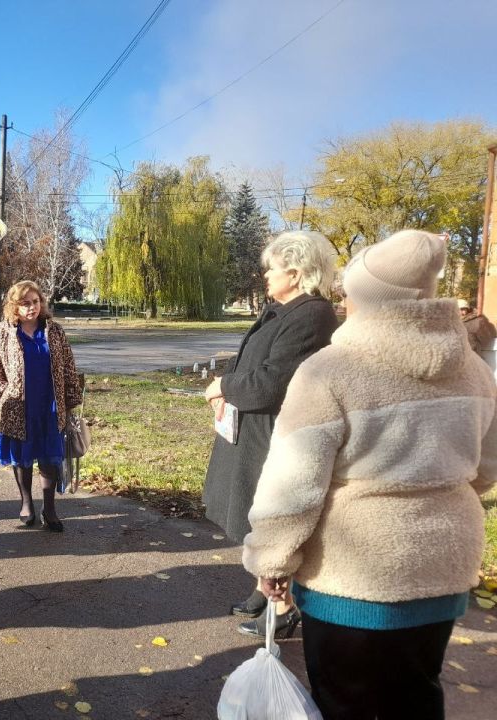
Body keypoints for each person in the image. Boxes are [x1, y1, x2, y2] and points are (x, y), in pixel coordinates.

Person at [243, 229, 497, 719]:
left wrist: (272, 558)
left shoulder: (330, 371)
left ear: (365, 296)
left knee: (344, 701)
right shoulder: (474, 370)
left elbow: (293, 484)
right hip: (444, 564)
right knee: (419, 691)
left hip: (353, 574)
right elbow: (487, 470)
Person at [202, 230, 339, 636]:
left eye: (272, 268)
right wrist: (227, 385)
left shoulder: (312, 315)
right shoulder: (285, 310)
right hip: (254, 430)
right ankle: (263, 592)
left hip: (277, 435)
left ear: (295, 273)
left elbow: (270, 383)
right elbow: (253, 363)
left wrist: (223, 387)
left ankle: (284, 608)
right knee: (256, 519)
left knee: (275, 523)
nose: (265, 275)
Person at [0, 280, 83, 532]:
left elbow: (69, 366)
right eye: (25, 303)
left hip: (50, 406)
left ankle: (49, 508)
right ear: (14, 306)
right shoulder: (3, 332)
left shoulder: (54, 331)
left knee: (50, 457)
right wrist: (2, 393)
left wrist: (71, 400)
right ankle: (26, 503)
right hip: (18, 407)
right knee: (22, 457)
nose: (32, 308)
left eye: (35, 302)